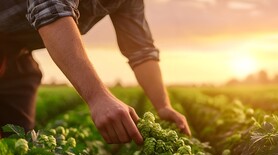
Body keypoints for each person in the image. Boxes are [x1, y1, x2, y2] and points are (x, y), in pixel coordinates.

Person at [0, 0, 191, 143]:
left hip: (15, 53)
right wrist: (97, 97)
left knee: (18, 145)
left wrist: (163, 105)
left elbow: (141, 49)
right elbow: (50, 8)